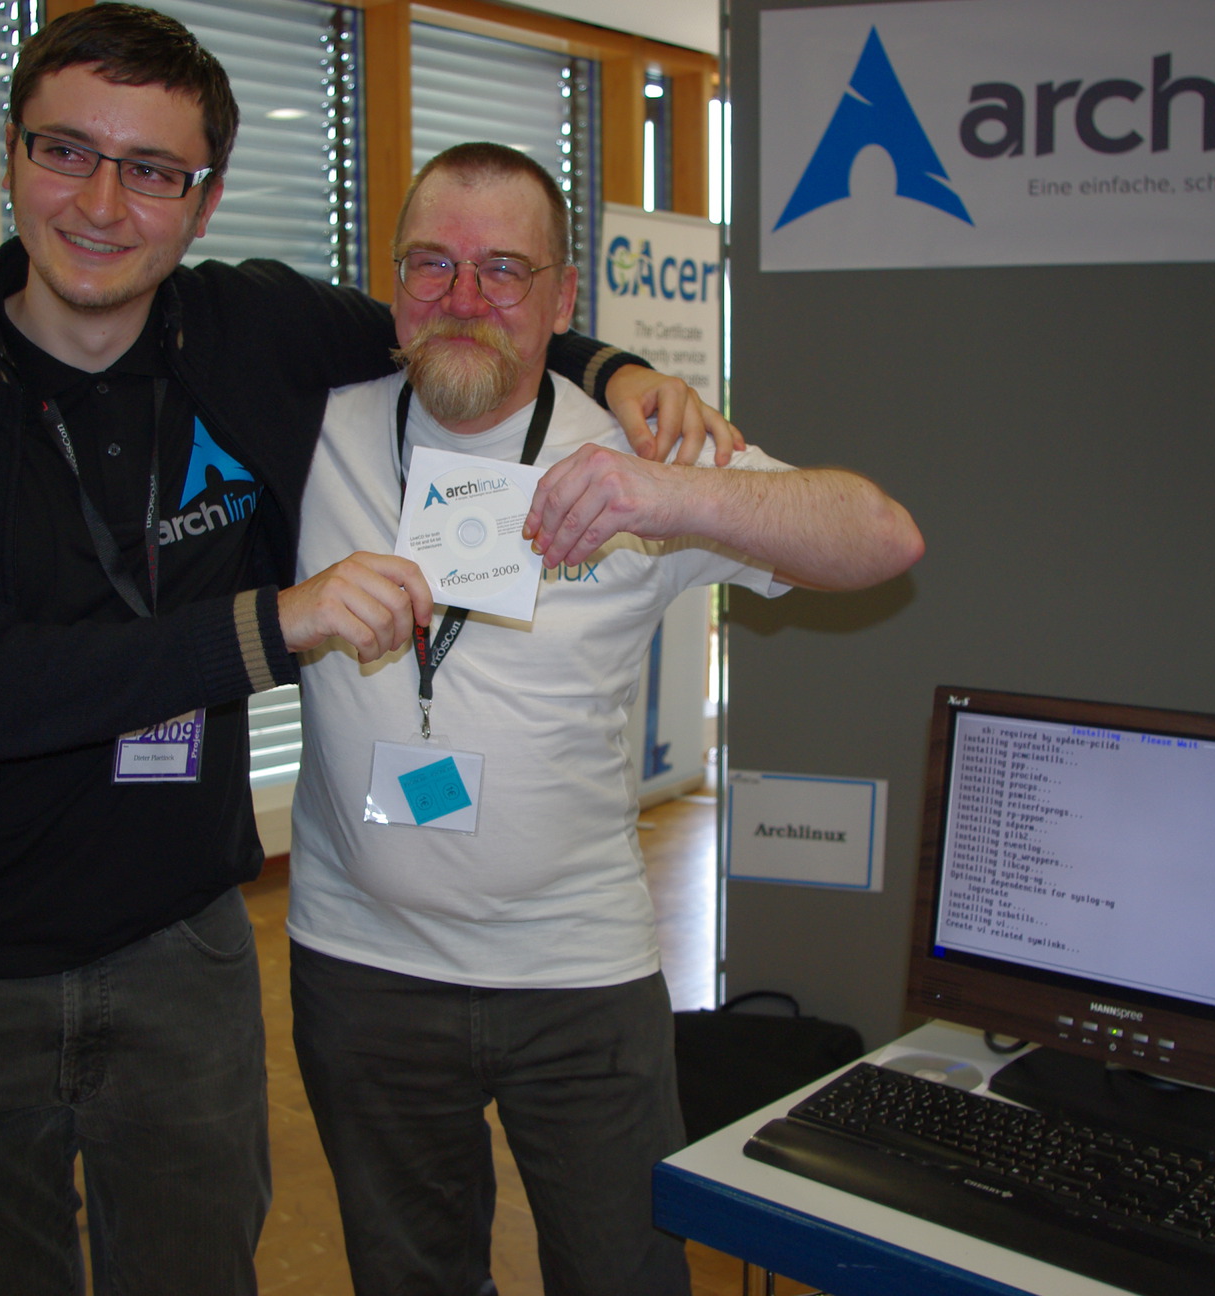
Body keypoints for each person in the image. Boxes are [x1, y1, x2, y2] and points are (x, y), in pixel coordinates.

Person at [0, 7, 723, 1294]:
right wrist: (273, 625)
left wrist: (612, 367)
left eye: (152, 170)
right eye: (66, 151)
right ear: (10, 155)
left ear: (204, 199)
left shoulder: (251, 333)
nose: (102, 203)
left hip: (178, 956)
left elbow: (461, 319)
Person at [285, 141, 924, 1295]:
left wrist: (673, 493)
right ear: (392, 277)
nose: (463, 297)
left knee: (623, 1273)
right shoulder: (310, 429)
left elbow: (882, 539)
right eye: (431, 264)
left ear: (562, 297)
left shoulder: (636, 453)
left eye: (503, 270)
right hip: (361, 970)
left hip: (577, 975)